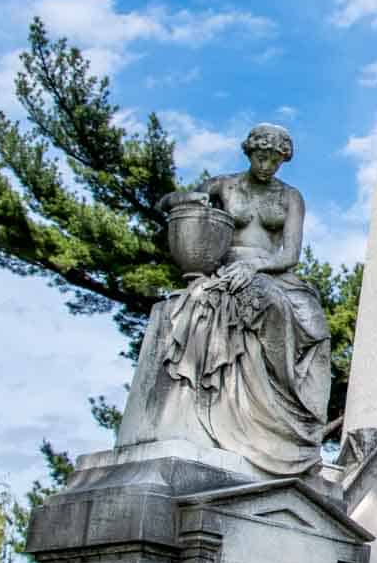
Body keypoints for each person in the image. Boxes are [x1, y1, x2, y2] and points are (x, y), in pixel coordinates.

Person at [117, 123, 330, 476]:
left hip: (273, 269)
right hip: (229, 268)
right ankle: (269, 410)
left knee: (317, 328)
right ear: (250, 154)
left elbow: (290, 253)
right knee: (270, 305)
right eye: (262, 157)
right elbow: (169, 203)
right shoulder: (224, 185)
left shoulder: (290, 197)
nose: (267, 166)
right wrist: (188, 200)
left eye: (275, 161)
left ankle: (294, 411)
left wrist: (258, 264)